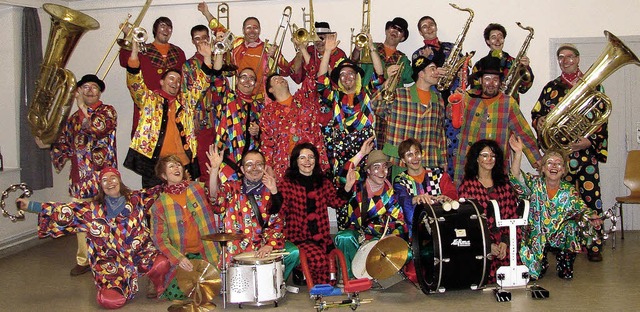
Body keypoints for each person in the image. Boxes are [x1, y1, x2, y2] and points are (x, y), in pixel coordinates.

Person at [16, 168, 168, 309]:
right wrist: (30, 206)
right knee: (108, 301)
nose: (110, 183)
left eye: (113, 178)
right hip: (111, 265)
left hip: (139, 254)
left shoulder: (137, 199)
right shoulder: (91, 210)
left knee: (161, 263)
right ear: (100, 186)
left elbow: (162, 190)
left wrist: (181, 178)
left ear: (120, 181)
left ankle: (156, 283)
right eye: (105, 180)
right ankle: (118, 288)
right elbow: (62, 210)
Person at [531, 43, 608, 262]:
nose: (566, 60)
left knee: (590, 199)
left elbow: (602, 118)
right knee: (556, 202)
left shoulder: (593, 86)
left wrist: (589, 141)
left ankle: (593, 246)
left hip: (585, 155)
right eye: (561, 57)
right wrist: (540, 122)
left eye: (570, 56)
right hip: (559, 157)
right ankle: (558, 245)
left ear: (578, 58)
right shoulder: (551, 87)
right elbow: (536, 113)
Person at [35, 74, 117, 277]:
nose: (90, 90)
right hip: (80, 177)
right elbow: (63, 144)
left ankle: (110, 257)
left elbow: (96, 128)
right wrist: (45, 141)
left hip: (104, 176)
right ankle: (84, 259)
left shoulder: (107, 112)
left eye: (94, 87)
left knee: (107, 218)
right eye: (85, 87)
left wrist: (81, 106)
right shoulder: (72, 119)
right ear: (79, 91)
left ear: (100, 91)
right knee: (82, 221)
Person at [123, 36, 213, 188]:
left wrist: (207, 57)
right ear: (161, 82)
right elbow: (134, 83)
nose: (175, 83)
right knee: (154, 205)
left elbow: (201, 83)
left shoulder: (185, 102)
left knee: (185, 205)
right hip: (154, 164)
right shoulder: (148, 99)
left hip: (182, 163)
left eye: (178, 80)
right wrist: (134, 53)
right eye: (171, 78)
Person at [509, 136, 603, 280]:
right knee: (535, 275)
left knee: (572, 227)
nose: (554, 167)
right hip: (537, 235)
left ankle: (564, 261)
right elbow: (515, 177)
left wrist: (593, 217)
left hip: (560, 235)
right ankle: (541, 262)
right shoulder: (534, 184)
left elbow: (582, 208)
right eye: (550, 163)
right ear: (543, 168)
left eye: (558, 164)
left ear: (564, 170)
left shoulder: (569, 190)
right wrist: (518, 153)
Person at [451, 56, 541, 186]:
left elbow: (523, 133)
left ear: (500, 82)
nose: (491, 83)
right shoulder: (468, 97)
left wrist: (538, 161)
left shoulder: (508, 103)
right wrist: (456, 100)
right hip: (468, 165)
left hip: (494, 166)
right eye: (487, 79)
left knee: (496, 202)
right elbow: (451, 116)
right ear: (480, 80)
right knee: (468, 204)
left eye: (495, 79)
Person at [278, 142, 355, 285]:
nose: (307, 161)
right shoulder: (287, 183)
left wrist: (348, 186)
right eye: (302, 158)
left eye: (311, 157)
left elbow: (336, 202)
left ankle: (311, 279)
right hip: (300, 238)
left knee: (333, 264)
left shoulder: (323, 182)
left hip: (322, 238)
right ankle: (306, 276)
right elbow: (279, 211)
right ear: (296, 161)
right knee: (320, 260)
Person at [149, 155, 219, 300]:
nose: (177, 168)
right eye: (171, 166)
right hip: (183, 256)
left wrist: (214, 170)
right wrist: (179, 258)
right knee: (175, 294)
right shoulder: (159, 206)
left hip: (207, 252)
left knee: (215, 288)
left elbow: (214, 195)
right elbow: (159, 239)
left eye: (178, 165)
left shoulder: (197, 188)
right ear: (163, 175)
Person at [208, 146, 289, 270]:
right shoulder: (232, 188)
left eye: (259, 164)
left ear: (265, 167)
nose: (254, 168)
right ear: (242, 169)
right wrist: (214, 170)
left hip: (261, 250)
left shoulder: (272, 190)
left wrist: (269, 244)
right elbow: (214, 198)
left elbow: (277, 223)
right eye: (249, 164)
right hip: (234, 251)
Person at [317, 32, 384, 182]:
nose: (347, 77)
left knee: (365, 188)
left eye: (351, 73)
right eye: (342, 75)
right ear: (339, 79)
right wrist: (327, 51)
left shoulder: (367, 94)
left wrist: (372, 47)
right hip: (341, 151)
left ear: (357, 76)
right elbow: (321, 82)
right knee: (344, 187)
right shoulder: (334, 96)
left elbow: (380, 76)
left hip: (365, 147)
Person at [334, 140, 406, 278]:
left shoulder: (391, 195)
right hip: (358, 237)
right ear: (368, 171)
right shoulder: (357, 186)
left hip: (380, 240)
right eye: (376, 167)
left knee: (405, 252)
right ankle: (350, 278)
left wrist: (393, 235)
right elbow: (343, 174)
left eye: (385, 167)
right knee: (344, 237)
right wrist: (361, 154)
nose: (382, 172)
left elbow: (400, 222)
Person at [370, 54, 448, 179]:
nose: (436, 73)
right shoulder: (399, 94)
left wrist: (443, 158)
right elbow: (374, 106)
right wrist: (387, 82)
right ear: (421, 74)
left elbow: (440, 132)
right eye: (432, 69)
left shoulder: (438, 99)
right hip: (399, 160)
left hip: (428, 160)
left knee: (427, 197)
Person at [195, 46, 263, 184]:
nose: (247, 81)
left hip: (249, 167)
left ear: (255, 84)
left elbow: (265, 136)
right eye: (243, 77)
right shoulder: (226, 96)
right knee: (225, 201)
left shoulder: (259, 107)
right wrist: (219, 51)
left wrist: (258, 131)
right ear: (237, 81)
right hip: (226, 162)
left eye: (251, 78)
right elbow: (217, 76)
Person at [457, 139, 522, 283]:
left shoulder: (504, 184)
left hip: (504, 244)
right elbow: (467, 224)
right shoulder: (467, 187)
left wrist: (506, 242)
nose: (489, 159)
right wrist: (487, 245)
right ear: (477, 159)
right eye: (484, 155)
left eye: (493, 156)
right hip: (480, 244)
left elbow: (512, 215)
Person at [260, 44, 329, 181]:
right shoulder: (268, 112)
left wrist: (302, 49)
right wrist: (268, 166)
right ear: (270, 90)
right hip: (284, 166)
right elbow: (267, 142)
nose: (280, 79)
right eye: (274, 79)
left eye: (281, 77)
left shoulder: (304, 97)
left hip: (311, 162)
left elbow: (312, 74)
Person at [199, 4, 290, 97]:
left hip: (263, 100)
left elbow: (287, 71)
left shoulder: (269, 48)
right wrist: (206, 13)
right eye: (248, 28)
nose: (252, 31)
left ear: (259, 30)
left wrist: (276, 56)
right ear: (243, 30)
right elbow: (219, 29)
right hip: (240, 98)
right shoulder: (236, 44)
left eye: (255, 28)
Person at [119, 16, 186, 136]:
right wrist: (127, 36)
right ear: (155, 29)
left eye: (169, 27)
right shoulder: (143, 49)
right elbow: (124, 61)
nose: (166, 30)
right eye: (162, 26)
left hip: (172, 106)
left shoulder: (179, 52)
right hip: (147, 103)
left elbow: (183, 82)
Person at [352, 17, 413, 146]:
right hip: (366, 99)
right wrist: (357, 49)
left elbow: (411, 79)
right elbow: (353, 62)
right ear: (386, 30)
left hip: (389, 107)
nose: (395, 31)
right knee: (362, 139)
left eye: (399, 30)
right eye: (393, 27)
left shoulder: (403, 59)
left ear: (402, 38)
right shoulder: (371, 46)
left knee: (385, 143)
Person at [393, 138, 457, 238]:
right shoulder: (400, 180)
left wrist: (446, 197)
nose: (415, 158)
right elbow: (402, 200)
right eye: (409, 155)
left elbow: (452, 192)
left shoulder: (438, 173)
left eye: (417, 153)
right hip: (415, 233)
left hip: (443, 229)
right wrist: (414, 199)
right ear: (403, 159)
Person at [470, 23, 534, 102]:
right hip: (486, 108)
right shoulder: (479, 65)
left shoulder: (515, 62)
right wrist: (494, 88)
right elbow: (474, 91)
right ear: (488, 41)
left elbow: (524, 89)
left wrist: (526, 67)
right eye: (493, 37)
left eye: (500, 37)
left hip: (511, 106)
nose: (498, 40)